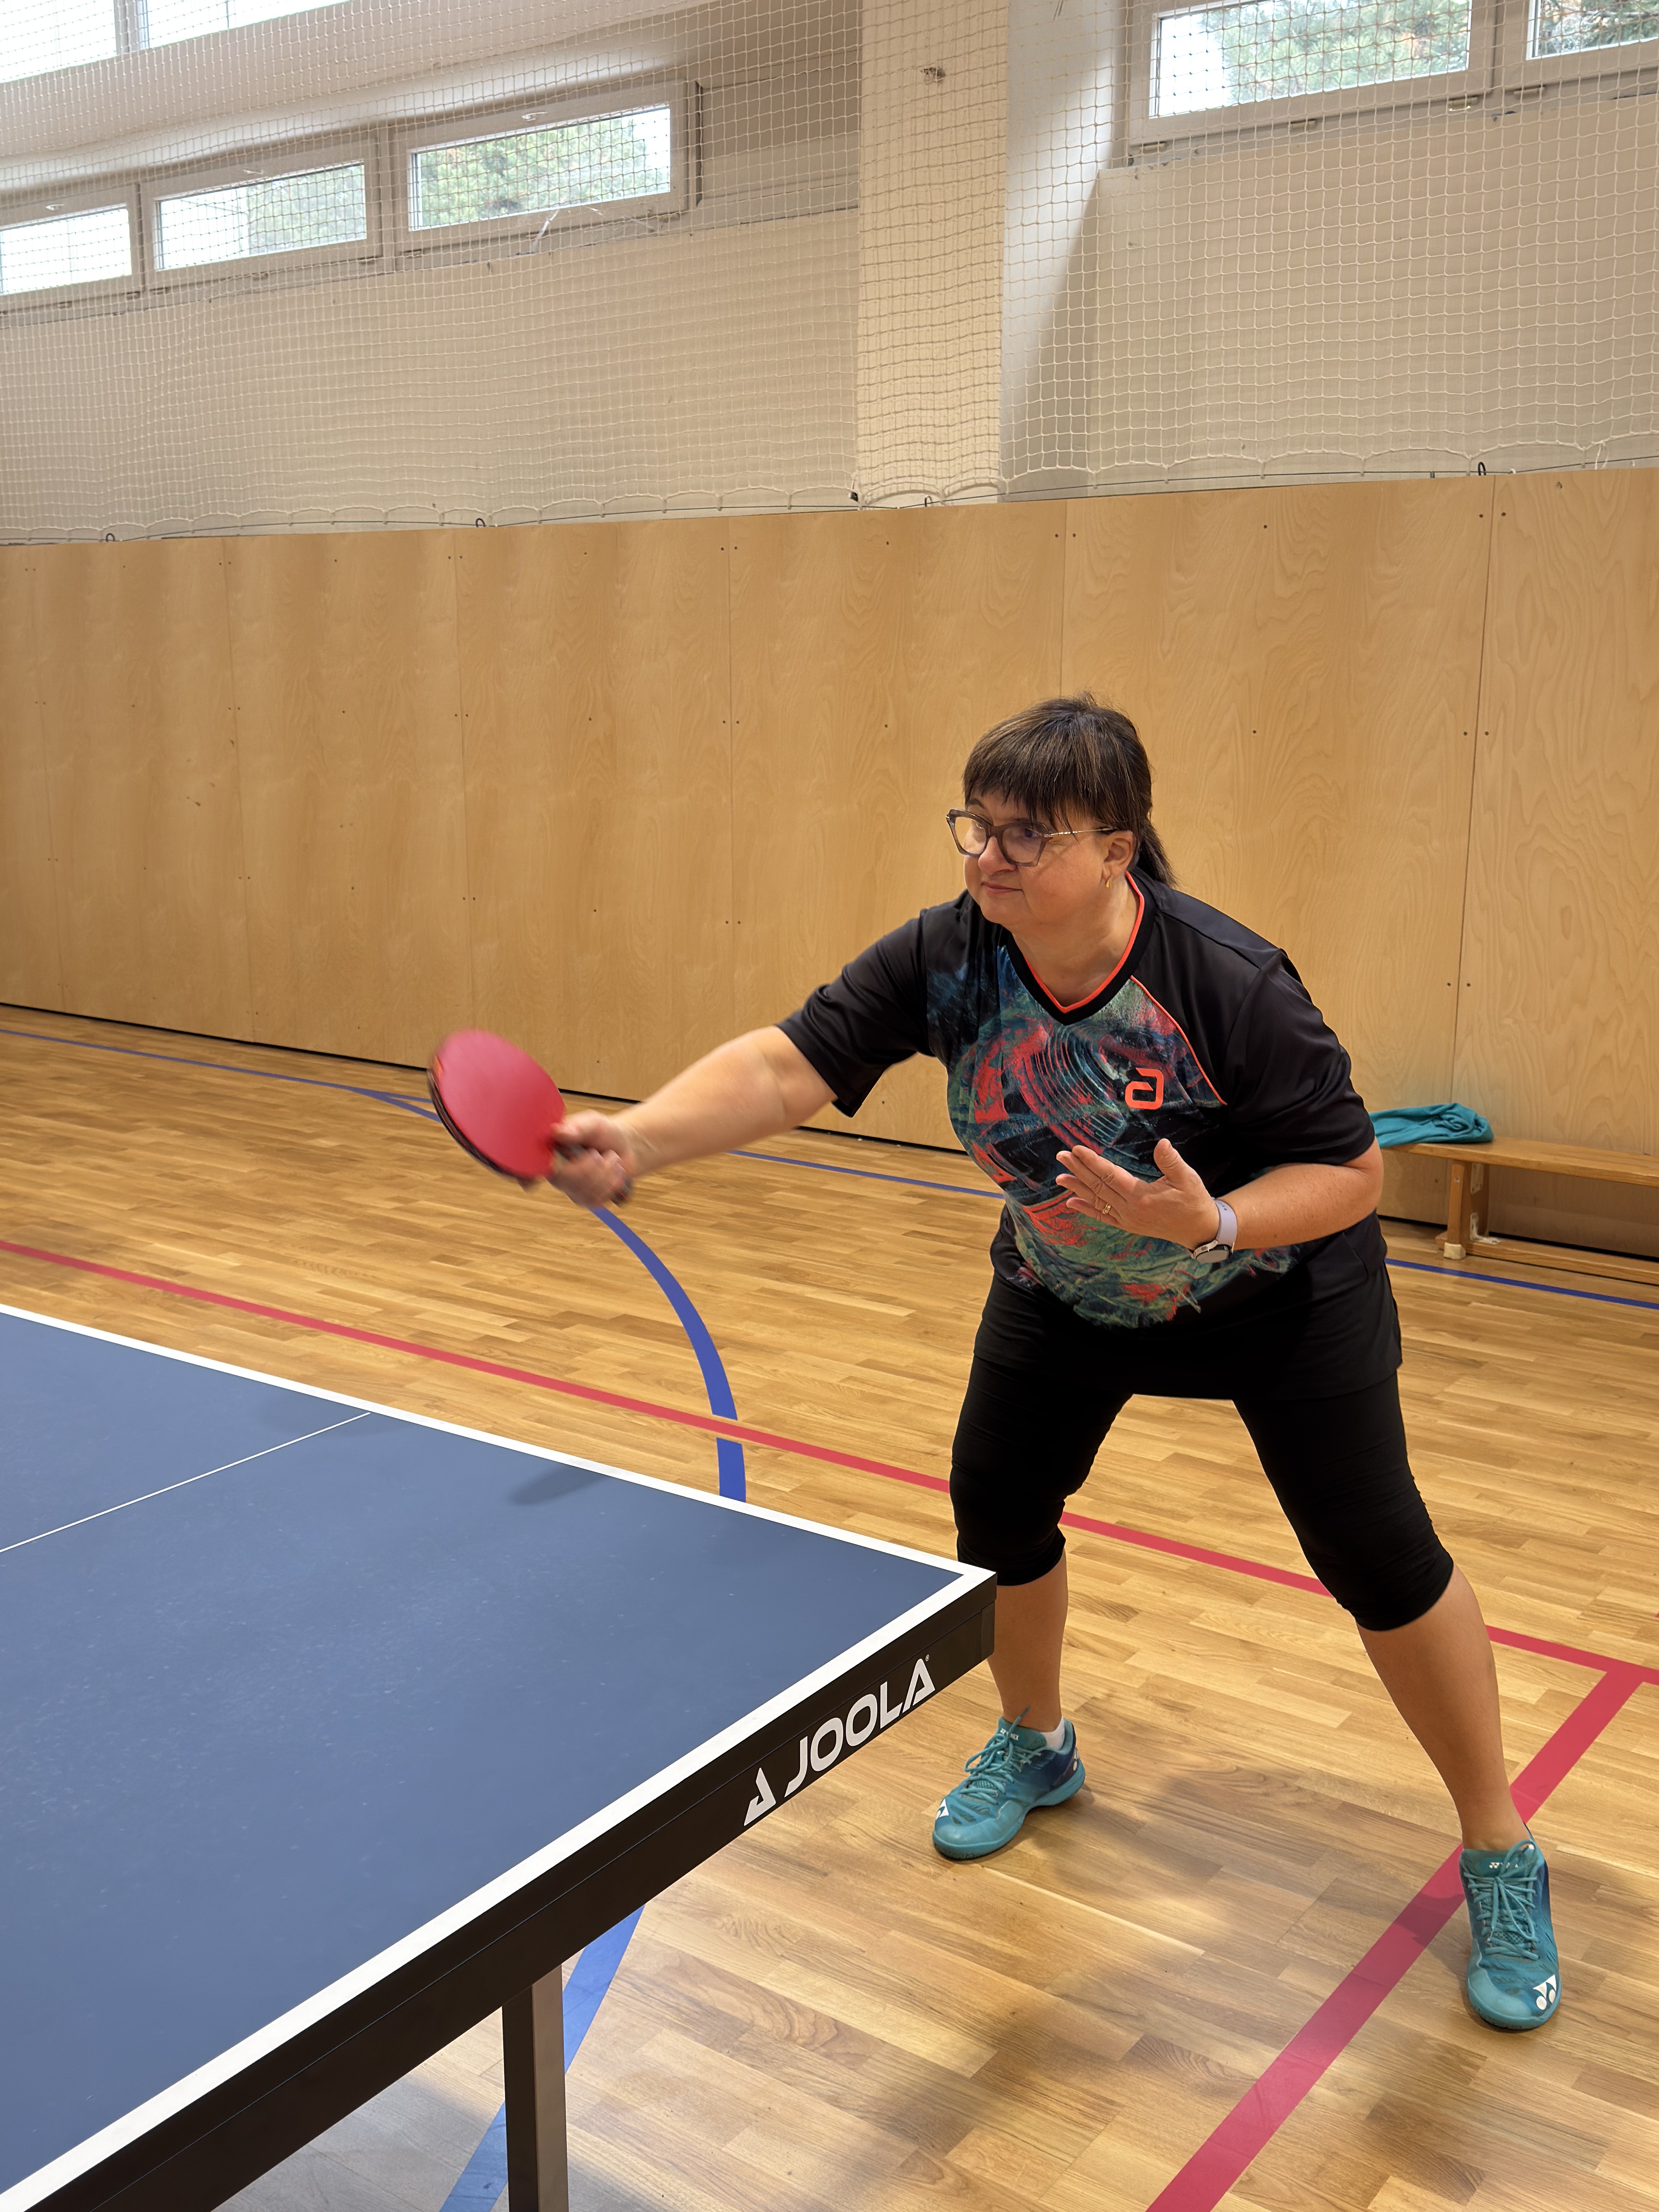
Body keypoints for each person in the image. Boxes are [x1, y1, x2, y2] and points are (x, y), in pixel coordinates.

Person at [549, 694, 1559, 2034]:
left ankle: (1499, 1848)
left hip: (1274, 1296)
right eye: (975, 825)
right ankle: (1035, 1742)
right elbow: (791, 1066)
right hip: (1066, 1289)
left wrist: (1211, 1221)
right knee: (998, 1513)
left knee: (1379, 1557)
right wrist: (638, 1138)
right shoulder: (949, 955)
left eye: (1027, 834)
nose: (988, 856)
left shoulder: (1225, 982)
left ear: (1116, 850)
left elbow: (1351, 1171)